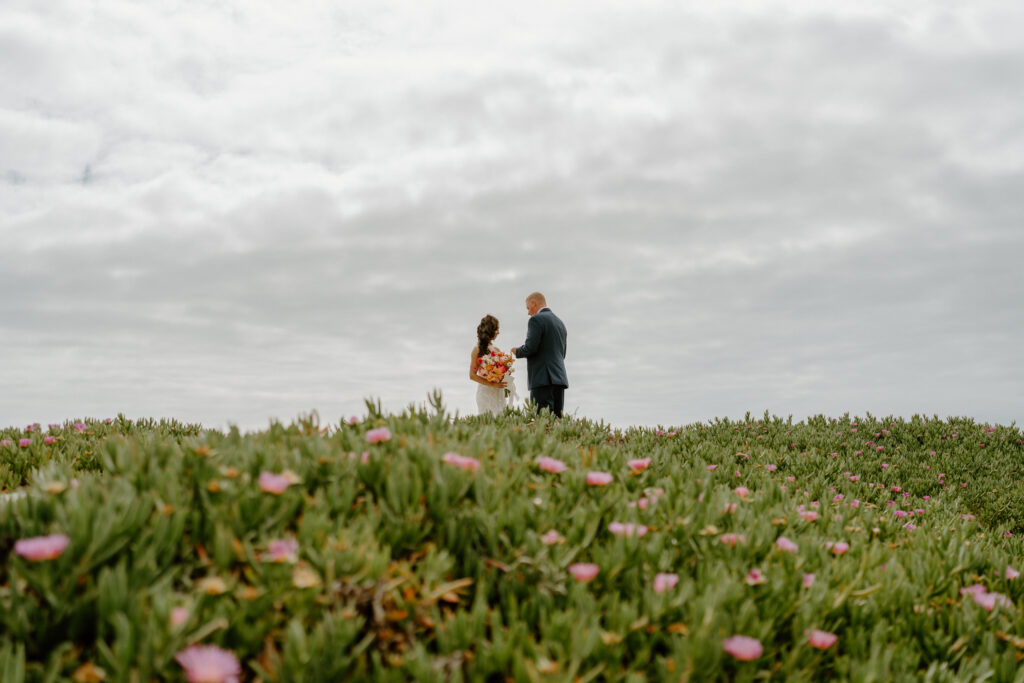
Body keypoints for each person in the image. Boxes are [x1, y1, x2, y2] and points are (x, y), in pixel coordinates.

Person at [510, 292, 568, 417]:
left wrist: (516, 351)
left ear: (534, 304)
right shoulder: (560, 323)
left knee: (542, 421)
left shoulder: (535, 320)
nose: (528, 312)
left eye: (528, 308)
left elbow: (530, 348)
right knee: (557, 421)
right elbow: (562, 353)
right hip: (559, 378)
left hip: (542, 378)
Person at [470, 314, 517, 416]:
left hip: (498, 392)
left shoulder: (497, 350)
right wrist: (492, 384)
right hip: (485, 393)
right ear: (490, 330)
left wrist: (508, 381)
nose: (498, 332)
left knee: (500, 420)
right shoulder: (477, 350)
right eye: (496, 329)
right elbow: (472, 375)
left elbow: (503, 372)